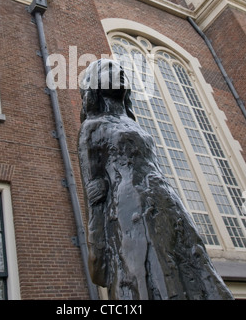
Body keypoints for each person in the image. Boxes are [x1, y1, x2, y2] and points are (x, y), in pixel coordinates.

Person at [78, 59, 234, 300]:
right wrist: (96, 249)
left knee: (188, 262)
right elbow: (94, 191)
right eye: (109, 69)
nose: (119, 72)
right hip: (130, 210)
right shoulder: (92, 127)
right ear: (94, 83)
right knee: (148, 272)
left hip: (165, 201)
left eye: (121, 69)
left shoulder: (133, 124)